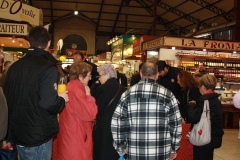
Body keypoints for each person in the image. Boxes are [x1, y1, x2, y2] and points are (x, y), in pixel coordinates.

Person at [4, 26, 69, 160]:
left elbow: (7, 98)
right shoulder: (47, 68)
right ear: (49, 43)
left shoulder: (14, 67)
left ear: (29, 43)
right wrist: (62, 99)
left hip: (18, 132)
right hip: (39, 135)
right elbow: (49, 103)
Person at [111, 62, 182, 160]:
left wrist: (120, 146)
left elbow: (117, 122)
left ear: (140, 74)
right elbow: (176, 124)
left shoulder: (127, 94)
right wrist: (174, 148)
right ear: (157, 75)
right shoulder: (168, 95)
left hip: (134, 150)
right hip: (161, 151)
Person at [57, 62, 97, 160]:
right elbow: (90, 113)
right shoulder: (77, 91)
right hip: (76, 139)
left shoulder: (71, 86)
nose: (90, 78)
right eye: (88, 75)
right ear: (80, 77)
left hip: (70, 136)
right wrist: (89, 97)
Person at [90, 64, 126, 160]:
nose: (99, 79)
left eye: (100, 76)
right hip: (118, 127)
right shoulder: (122, 88)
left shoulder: (102, 89)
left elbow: (97, 109)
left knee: (102, 152)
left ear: (107, 75)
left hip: (104, 127)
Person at [187, 74, 224, 160]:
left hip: (203, 137)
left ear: (203, 86)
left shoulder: (203, 101)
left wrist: (191, 106)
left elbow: (194, 118)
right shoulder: (216, 100)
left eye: (199, 86)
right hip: (213, 137)